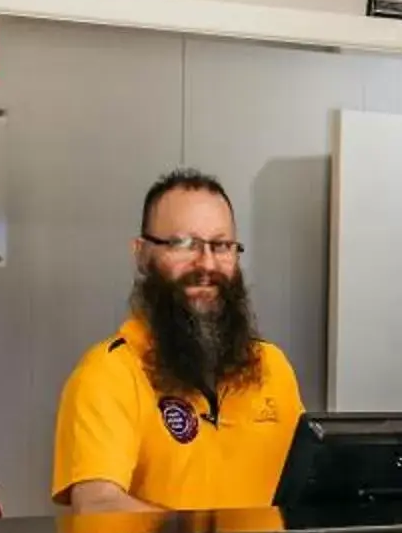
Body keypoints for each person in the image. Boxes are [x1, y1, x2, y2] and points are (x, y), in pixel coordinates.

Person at [51, 169, 304, 512]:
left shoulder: (272, 367)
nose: (207, 264)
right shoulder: (108, 373)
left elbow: (309, 489)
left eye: (221, 245)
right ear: (142, 254)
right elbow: (97, 505)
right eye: (184, 244)